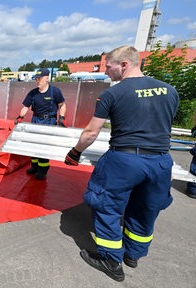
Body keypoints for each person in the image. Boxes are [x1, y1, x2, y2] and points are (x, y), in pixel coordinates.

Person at [64, 45, 179, 282]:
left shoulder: (112, 94)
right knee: (146, 207)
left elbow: (91, 133)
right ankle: (133, 255)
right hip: (160, 162)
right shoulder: (170, 91)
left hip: (125, 160)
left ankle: (111, 260)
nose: (106, 71)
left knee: (107, 205)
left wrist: (75, 152)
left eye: (109, 66)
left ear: (124, 64)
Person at [14, 67, 66, 179]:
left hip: (49, 121)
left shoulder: (55, 91)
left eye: (39, 78)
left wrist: (61, 118)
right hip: (36, 120)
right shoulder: (33, 93)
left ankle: (43, 169)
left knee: (44, 146)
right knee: (33, 145)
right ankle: (34, 166)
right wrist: (20, 117)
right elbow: (25, 107)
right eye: (36, 78)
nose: (37, 80)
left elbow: (62, 105)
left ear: (46, 78)